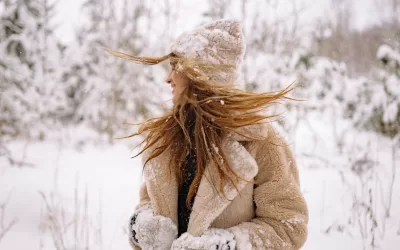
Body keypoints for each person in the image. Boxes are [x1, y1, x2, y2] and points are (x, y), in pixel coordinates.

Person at [105, 19, 308, 250]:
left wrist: (226, 245)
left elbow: (288, 226)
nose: (168, 78)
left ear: (200, 74)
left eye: (175, 67)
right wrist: (141, 227)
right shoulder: (166, 139)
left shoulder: (262, 142)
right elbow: (148, 202)